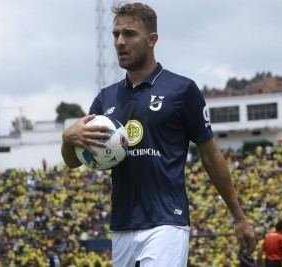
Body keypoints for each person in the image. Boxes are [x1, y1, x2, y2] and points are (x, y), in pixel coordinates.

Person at [61, 2, 256, 266]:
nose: (120, 42)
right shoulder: (105, 99)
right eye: (116, 34)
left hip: (167, 222)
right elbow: (74, 161)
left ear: (152, 39)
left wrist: (239, 218)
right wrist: (68, 139)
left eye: (129, 34)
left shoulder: (182, 90)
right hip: (122, 225)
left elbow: (211, 157)